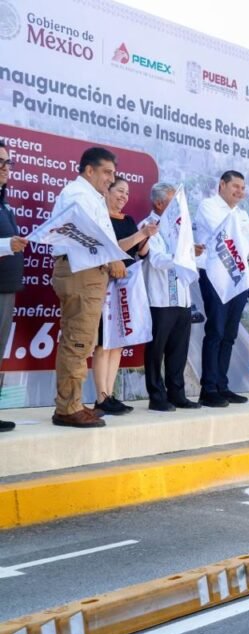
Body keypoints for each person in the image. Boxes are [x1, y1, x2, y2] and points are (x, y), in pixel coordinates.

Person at [49, 147, 122, 428]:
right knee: (77, 341)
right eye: (106, 172)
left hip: (88, 272)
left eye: (113, 174)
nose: (111, 179)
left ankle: (73, 403)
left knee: (82, 341)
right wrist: (113, 257)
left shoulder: (91, 196)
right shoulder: (77, 194)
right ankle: (68, 408)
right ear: (89, 170)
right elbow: (90, 233)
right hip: (81, 272)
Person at [194, 171, 249, 408]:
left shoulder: (240, 214)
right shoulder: (208, 206)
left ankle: (222, 385)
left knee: (230, 334)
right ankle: (208, 389)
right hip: (215, 275)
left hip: (238, 278)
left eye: (243, 188)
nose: (240, 192)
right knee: (216, 331)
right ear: (222, 184)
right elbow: (225, 234)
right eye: (236, 186)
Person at [91, 176, 158, 416]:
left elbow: (141, 253)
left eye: (127, 193)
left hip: (125, 288)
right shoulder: (100, 219)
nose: (124, 196)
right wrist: (141, 234)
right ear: (107, 191)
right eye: (120, 191)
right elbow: (115, 248)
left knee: (117, 342)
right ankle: (101, 397)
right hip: (104, 286)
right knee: (103, 343)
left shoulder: (129, 220)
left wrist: (147, 237)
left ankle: (110, 395)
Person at [142, 183, 200, 412]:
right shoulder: (148, 226)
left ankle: (177, 394)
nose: (176, 207)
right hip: (160, 300)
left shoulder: (178, 226)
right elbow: (156, 259)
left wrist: (191, 251)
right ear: (158, 203)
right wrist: (181, 255)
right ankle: (157, 396)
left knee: (179, 350)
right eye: (171, 202)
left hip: (182, 299)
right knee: (156, 351)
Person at [0, 140, 27, 433]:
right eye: (0, 162)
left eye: (8, 162)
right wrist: (8, 245)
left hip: (6, 289)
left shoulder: (3, 202)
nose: (6, 167)